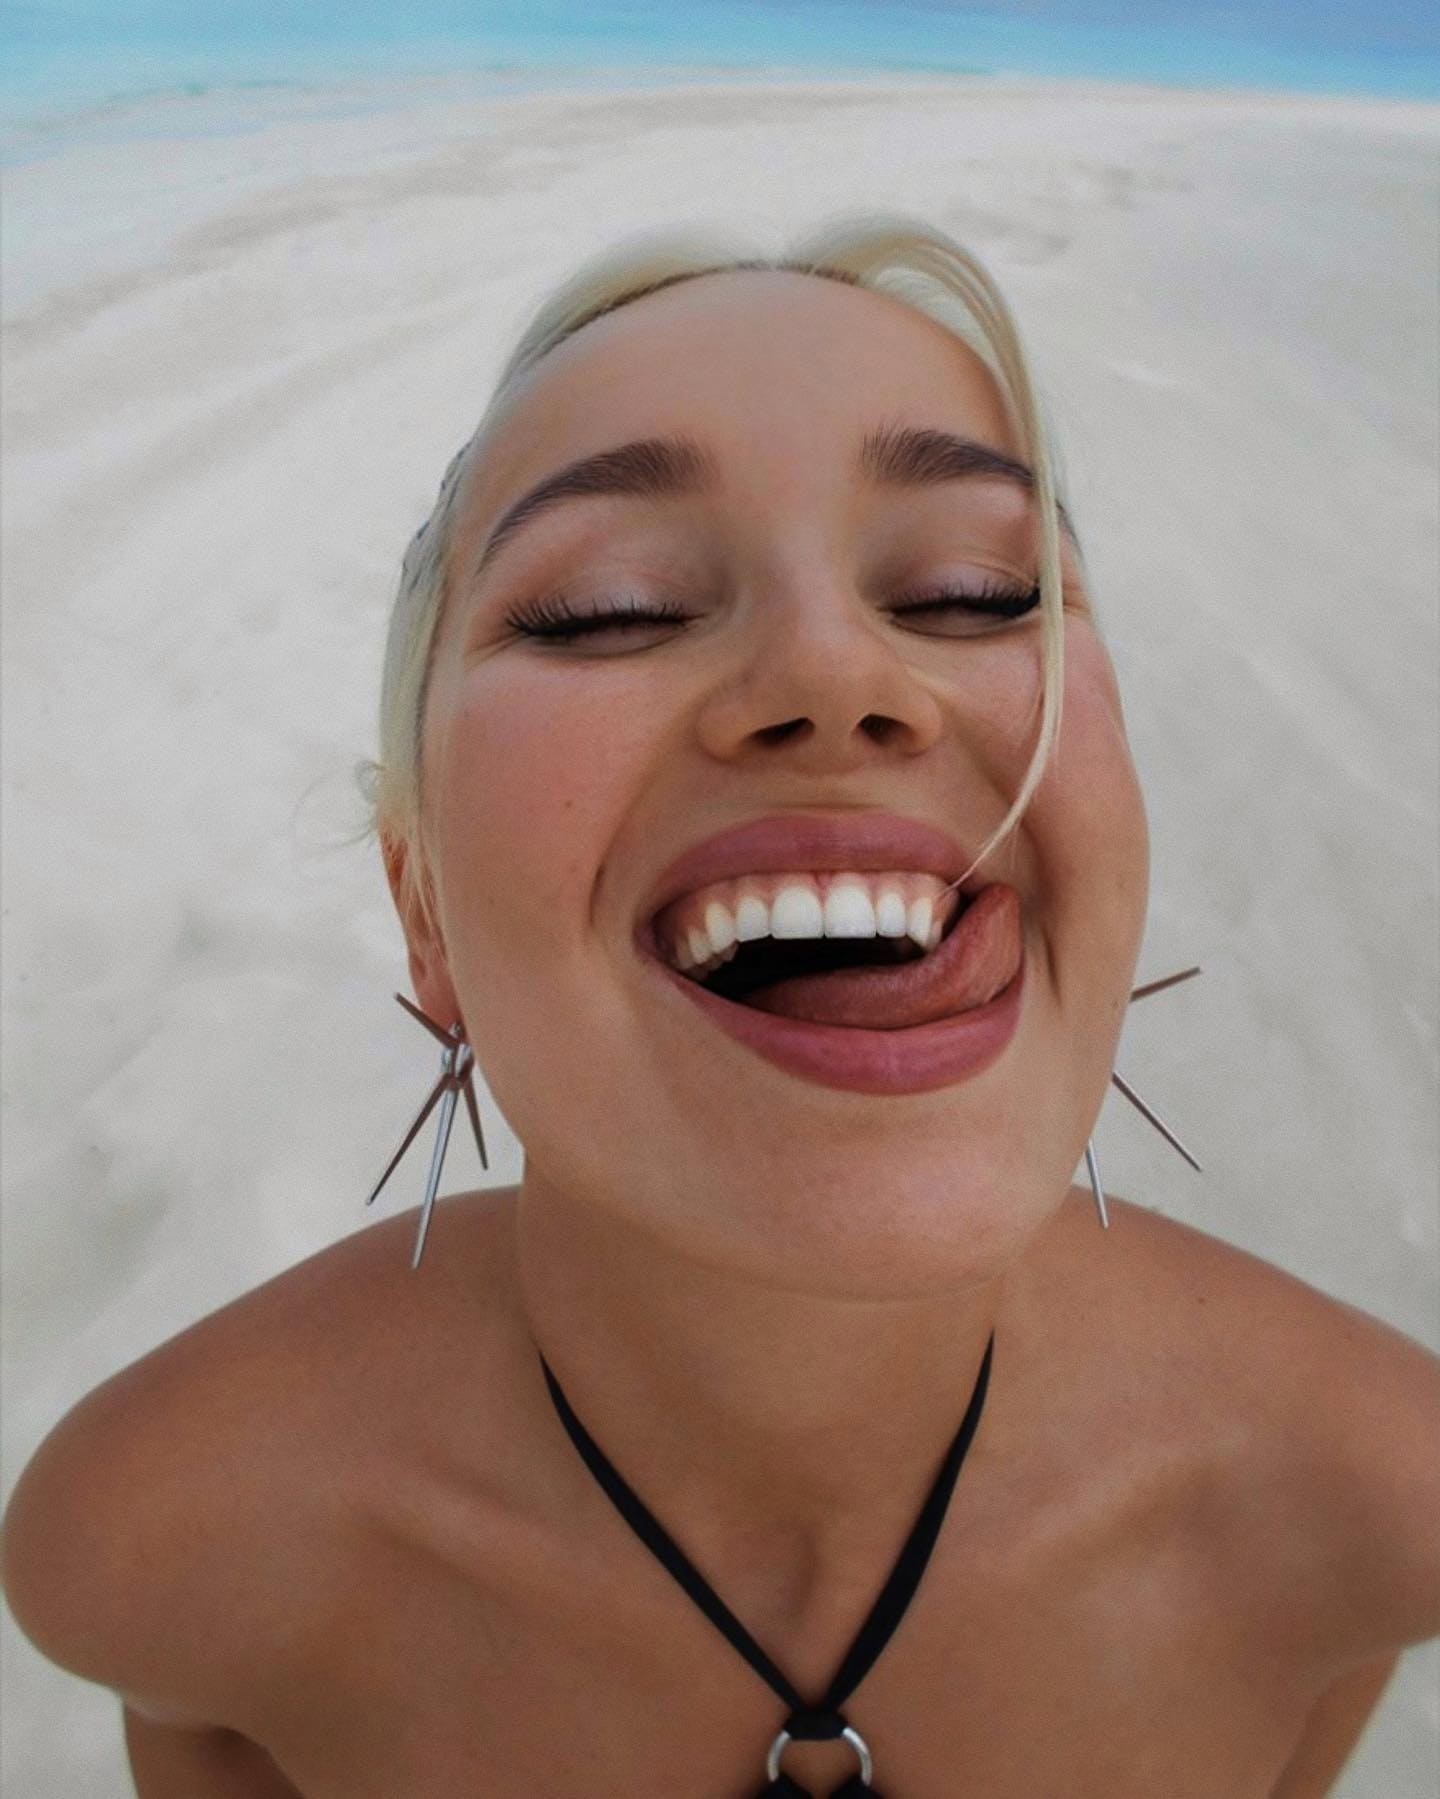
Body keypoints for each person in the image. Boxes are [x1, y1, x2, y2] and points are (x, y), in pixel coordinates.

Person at [3, 215, 1438, 1799]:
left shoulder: (1376, 1515)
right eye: (607, 607)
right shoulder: (165, 1554)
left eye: (973, 591)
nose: (834, 671)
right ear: (424, 912)